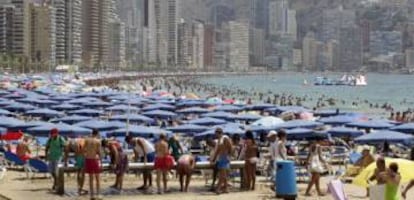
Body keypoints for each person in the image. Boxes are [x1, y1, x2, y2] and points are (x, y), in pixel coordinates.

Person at [212, 128, 233, 194]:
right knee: (223, 174)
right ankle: (226, 188)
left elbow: (230, 146)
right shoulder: (219, 140)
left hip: (224, 157)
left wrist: (229, 155)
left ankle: (218, 188)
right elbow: (218, 150)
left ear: (218, 133)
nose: (215, 135)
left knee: (222, 174)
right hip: (221, 157)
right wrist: (214, 158)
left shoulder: (225, 138)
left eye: (216, 133)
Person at [84, 129, 102, 200]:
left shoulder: (87, 140)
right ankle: (98, 194)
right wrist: (101, 161)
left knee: (91, 178)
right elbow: (99, 152)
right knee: (97, 178)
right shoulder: (98, 141)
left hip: (88, 159)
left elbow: (83, 150)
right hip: (94, 159)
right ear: (97, 134)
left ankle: (92, 195)